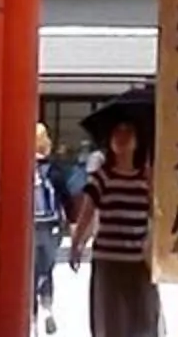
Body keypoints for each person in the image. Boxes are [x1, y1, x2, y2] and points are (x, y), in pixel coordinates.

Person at [66, 102, 158, 337]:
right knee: (110, 321)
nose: (122, 137)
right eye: (117, 133)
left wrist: (152, 184)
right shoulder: (102, 177)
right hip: (108, 259)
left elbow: (158, 213)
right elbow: (87, 212)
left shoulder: (146, 179)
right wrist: (77, 243)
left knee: (142, 321)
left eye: (128, 132)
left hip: (139, 261)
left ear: (139, 140)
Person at [31, 123, 68, 334]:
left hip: (30, 226)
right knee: (47, 270)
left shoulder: (21, 167)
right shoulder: (53, 169)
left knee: (31, 272)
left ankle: (33, 319)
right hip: (51, 226)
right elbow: (66, 196)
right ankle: (47, 308)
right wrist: (72, 222)